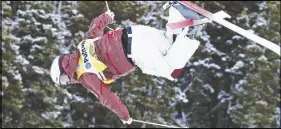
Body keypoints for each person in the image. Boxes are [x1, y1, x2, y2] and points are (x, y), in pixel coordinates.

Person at [50, 2, 202, 125]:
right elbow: (95, 26)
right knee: (169, 45)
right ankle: (179, 12)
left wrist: (124, 116)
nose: (68, 83)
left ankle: (188, 34)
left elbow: (106, 97)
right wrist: (107, 17)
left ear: (65, 69)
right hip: (134, 32)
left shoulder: (84, 75)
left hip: (135, 51)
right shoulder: (83, 45)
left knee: (171, 71)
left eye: (64, 80)